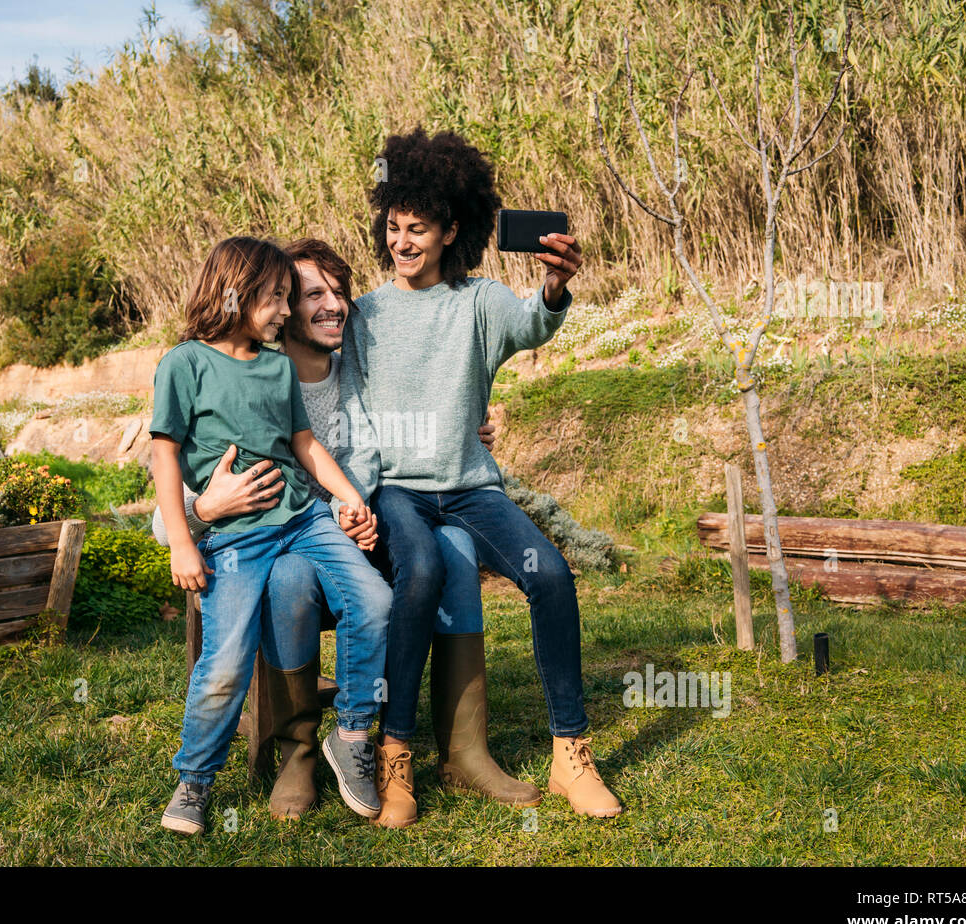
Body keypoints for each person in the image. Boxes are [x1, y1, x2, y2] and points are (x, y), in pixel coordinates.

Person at [152, 238, 539, 821]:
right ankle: (294, 753)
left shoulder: (344, 366)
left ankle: (440, 747)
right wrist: (201, 516)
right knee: (280, 588)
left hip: (335, 523)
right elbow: (166, 488)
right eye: (305, 296)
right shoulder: (195, 365)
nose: (327, 306)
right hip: (248, 536)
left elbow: (413, 406)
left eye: (338, 293)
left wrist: (465, 429)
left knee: (451, 549)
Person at [335, 127, 623, 826]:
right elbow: (350, 410)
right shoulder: (365, 315)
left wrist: (555, 283)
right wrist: (361, 489)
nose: (403, 242)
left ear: (450, 230)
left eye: (419, 229)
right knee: (423, 573)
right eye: (394, 228)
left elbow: (533, 324)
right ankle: (395, 756)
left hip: (469, 487)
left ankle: (571, 755)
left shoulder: (479, 300)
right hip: (399, 490)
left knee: (551, 576)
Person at [150, 236, 391, 835]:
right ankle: (194, 782)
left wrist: (349, 497)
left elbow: (304, 444)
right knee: (226, 660)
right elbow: (164, 456)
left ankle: (353, 732)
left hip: (303, 520)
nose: (287, 312)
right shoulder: (185, 364)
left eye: (289, 298)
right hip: (233, 540)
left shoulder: (278, 365)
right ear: (235, 291)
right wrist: (184, 541)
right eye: (278, 298)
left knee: (375, 599)